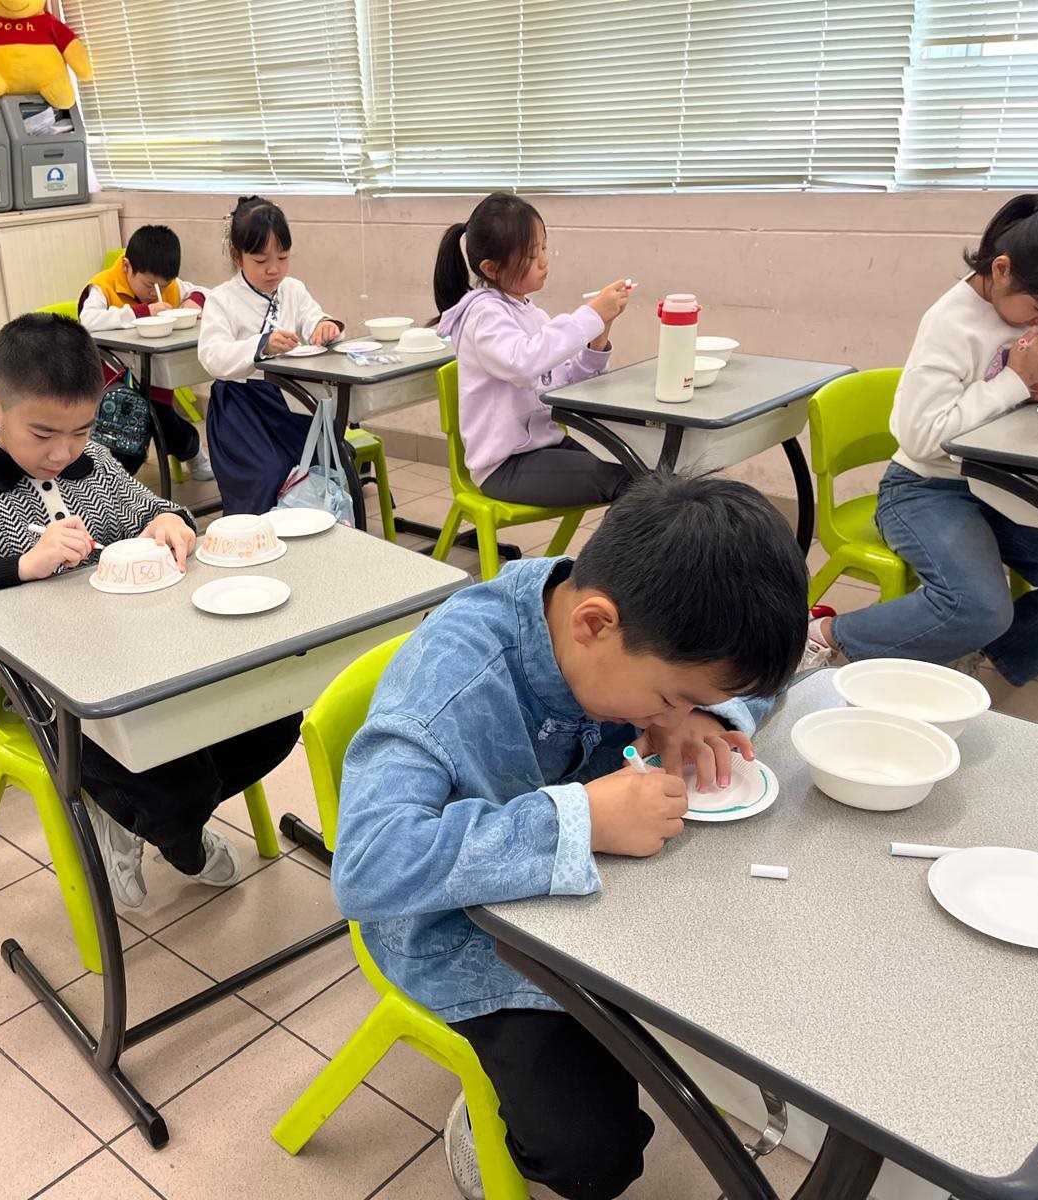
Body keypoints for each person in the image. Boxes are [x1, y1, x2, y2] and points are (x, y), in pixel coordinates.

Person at [331, 473, 808, 1200]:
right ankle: (493, 1115)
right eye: (670, 697)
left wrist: (707, 716)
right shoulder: (452, 680)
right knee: (594, 1157)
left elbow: (755, 679)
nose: (671, 714)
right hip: (464, 934)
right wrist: (580, 819)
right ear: (593, 625)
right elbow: (369, 866)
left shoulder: (635, 621)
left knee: (762, 967)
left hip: (608, 901)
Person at [0, 313, 301, 906]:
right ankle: (177, 832)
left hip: (143, 664)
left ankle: (143, 816)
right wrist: (20, 566)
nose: (63, 452)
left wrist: (170, 521)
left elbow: (154, 510)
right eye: (42, 434)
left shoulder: (97, 464)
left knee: (274, 720)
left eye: (81, 430)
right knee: (175, 785)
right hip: (53, 698)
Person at [803, 193, 1038, 687]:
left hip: (1010, 487)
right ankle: (824, 633)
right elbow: (921, 438)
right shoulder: (951, 323)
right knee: (977, 607)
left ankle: (963, 650)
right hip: (926, 487)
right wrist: (1016, 381)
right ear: (1002, 269)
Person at [434, 191, 632, 509]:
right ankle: (614, 546)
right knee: (624, 480)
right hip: (505, 466)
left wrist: (601, 328)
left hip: (544, 448)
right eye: (530, 255)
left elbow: (568, 383)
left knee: (639, 467)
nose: (543, 260)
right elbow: (523, 364)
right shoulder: (484, 314)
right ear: (491, 268)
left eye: (543, 247)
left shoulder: (532, 314)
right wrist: (590, 315)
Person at [197, 195, 343, 516]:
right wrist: (261, 345)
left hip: (288, 401)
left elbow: (313, 317)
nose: (274, 269)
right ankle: (260, 538)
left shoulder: (293, 289)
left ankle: (317, 534)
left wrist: (325, 326)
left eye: (283, 257)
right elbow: (212, 355)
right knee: (269, 473)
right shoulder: (222, 299)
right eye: (261, 261)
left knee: (321, 461)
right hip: (240, 408)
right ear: (237, 255)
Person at [78, 223, 214, 480]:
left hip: (157, 379)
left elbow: (207, 292)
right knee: (135, 427)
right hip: (115, 382)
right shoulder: (103, 287)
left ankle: (191, 450)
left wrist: (193, 301)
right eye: (149, 285)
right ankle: (114, 481)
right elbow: (88, 320)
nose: (155, 292)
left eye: (164, 284)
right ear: (127, 266)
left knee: (162, 421)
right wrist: (142, 312)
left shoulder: (169, 285)